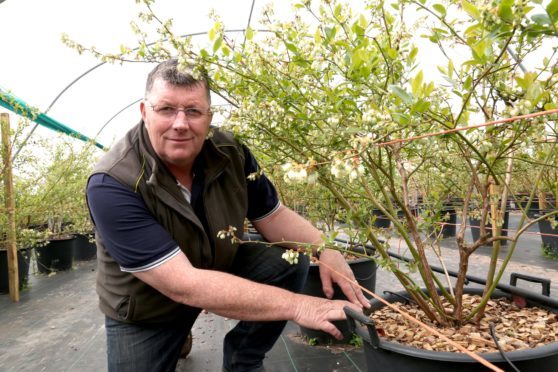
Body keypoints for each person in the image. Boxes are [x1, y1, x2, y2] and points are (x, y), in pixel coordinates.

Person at [86, 58, 370, 372]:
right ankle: (176, 336)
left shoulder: (230, 152)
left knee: (288, 262)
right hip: (147, 305)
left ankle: (242, 360)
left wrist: (325, 247)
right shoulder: (112, 182)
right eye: (166, 109)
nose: (180, 123)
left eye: (193, 111)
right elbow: (183, 284)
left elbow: (272, 216)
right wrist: (300, 305)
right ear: (144, 112)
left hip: (217, 263)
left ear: (209, 116)